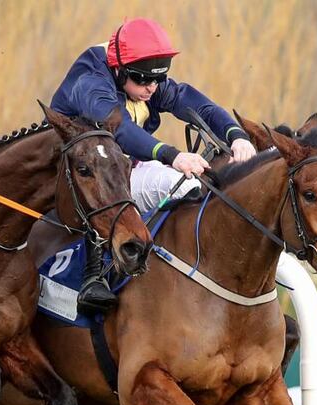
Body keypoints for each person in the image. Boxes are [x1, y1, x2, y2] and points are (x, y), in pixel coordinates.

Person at [50, 18, 258, 315]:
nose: (151, 88)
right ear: (119, 68)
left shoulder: (144, 77)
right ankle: (94, 275)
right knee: (184, 182)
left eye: (157, 80)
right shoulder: (91, 82)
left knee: (195, 180)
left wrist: (236, 135)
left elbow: (197, 104)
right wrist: (173, 155)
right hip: (78, 178)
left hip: (118, 170)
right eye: (142, 80)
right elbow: (119, 129)